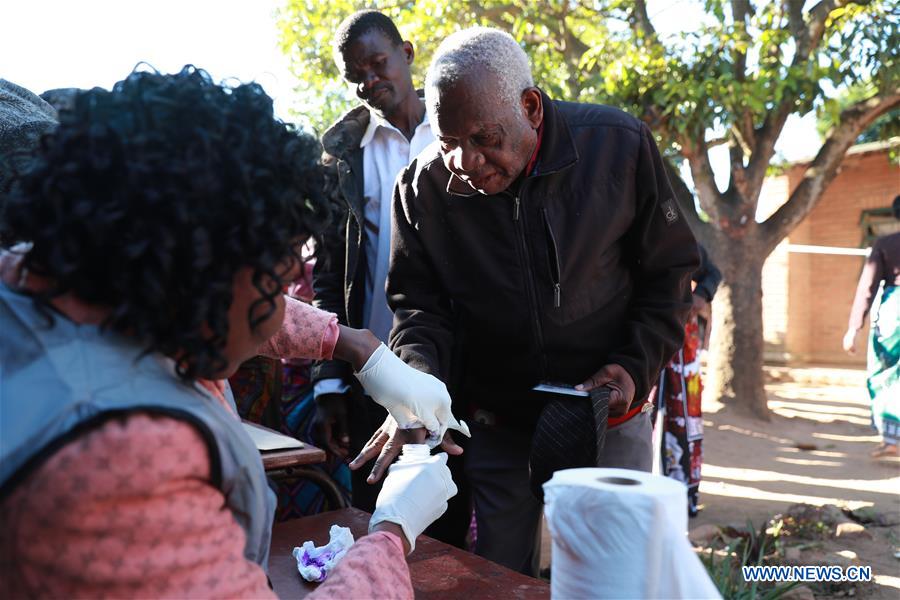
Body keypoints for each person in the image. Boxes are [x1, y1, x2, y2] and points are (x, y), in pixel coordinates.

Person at [0, 67, 455, 598]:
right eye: (278, 282)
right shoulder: (127, 464)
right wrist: (391, 532)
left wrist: (356, 346)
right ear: (209, 277)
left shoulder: (56, 280)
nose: (280, 307)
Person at [356, 27, 700, 575]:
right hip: (497, 420)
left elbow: (671, 272)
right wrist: (414, 389)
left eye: (484, 137)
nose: (467, 161)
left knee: (615, 573)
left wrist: (633, 367)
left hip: (608, 414)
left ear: (531, 107)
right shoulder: (418, 190)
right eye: (449, 143)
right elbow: (419, 309)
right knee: (500, 574)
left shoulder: (619, 146)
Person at [311, 9, 470, 539]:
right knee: (375, 513)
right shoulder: (344, 161)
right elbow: (330, 274)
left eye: (378, 63)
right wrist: (330, 378)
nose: (368, 81)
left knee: (447, 517)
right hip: (371, 371)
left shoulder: (461, 131)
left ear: (407, 53)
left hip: (456, 367)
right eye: (355, 75)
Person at [652, 244, 721, 516]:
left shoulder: (678, 235)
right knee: (646, 414)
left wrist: (700, 295)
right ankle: (647, 493)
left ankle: (682, 495)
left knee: (682, 417)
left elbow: (712, 274)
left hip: (683, 345)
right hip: (645, 340)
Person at [843, 195, 900, 458]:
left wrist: (854, 327)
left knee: (885, 373)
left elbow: (867, 287)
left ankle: (892, 439)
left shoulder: (885, 244)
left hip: (893, 316)